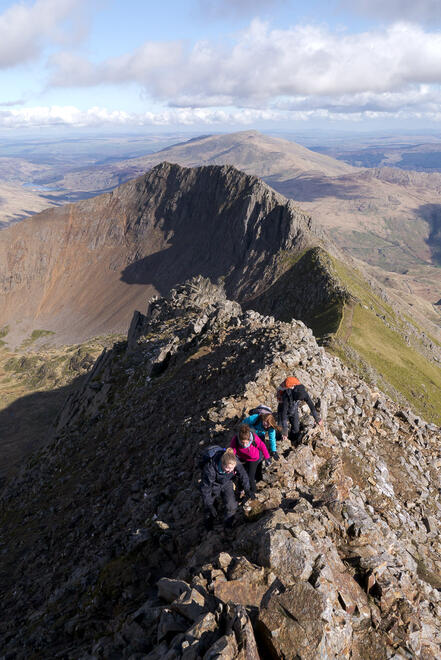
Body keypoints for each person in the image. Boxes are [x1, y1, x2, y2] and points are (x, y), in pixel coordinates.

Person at [200, 446, 251, 530]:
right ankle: (208, 526)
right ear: (222, 463)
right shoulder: (210, 469)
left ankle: (228, 525)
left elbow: (243, 475)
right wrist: (209, 505)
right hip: (213, 484)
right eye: (227, 468)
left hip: (226, 483)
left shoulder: (234, 461)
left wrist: (247, 489)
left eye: (232, 468)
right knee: (210, 508)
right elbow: (206, 488)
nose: (230, 471)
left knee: (231, 506)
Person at [277, 376, 322, 445]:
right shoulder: (286, 396)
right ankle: (279, 442)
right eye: (298, 399)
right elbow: (283, 413)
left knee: (296, 429)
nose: (301, 400)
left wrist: (317, 418)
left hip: (294, 410)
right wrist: (285, 431)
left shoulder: (304, 393)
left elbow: (311, 405)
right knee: (280, 429)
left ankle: (292, 441)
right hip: (282, 411)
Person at [230, 424, 271, 497]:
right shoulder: (235, 440)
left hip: (254, 459)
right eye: (242, 442)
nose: (245, 445)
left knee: (250, 477)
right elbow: (232, 452)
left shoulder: (254, 438)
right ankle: (240, 489)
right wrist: (232, 466)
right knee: (241, 474)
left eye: (246, 442)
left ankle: (253, 492)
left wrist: (267, 457)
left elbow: (262, 446)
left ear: (249, 439)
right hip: (242, 458)